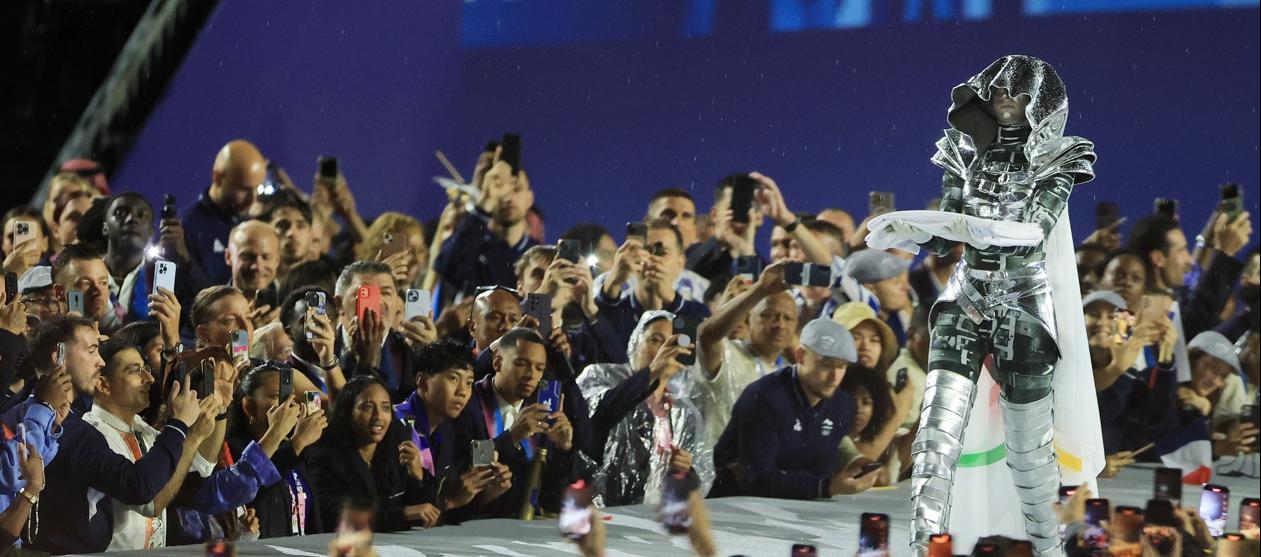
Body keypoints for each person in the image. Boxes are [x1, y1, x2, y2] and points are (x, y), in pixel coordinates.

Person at [871, 55, 1100, 554]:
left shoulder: (1060, 156)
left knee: (1030, 451)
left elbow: (1035, 227)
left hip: (1022, 302)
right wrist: (909, 232)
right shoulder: (962, 148)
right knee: (935, 434)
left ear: (1039, 103)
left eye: (1017, 95)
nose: (1005, 102)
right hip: (966, 293)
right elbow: (950, 229)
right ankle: (922, 545)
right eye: (997, 93)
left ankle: (1049, 548)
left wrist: (974, 229)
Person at [31, 346, 211, 553]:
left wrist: (218, 411)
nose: (149, 379)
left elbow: (201, 465)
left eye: (146, 369)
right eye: (135, 371)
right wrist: (182, 428)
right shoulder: (94, 435)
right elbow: (151, 503)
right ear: (103, 384)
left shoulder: (142, 428)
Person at [708, 317, 878, 499]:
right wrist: (825, 486)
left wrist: (851, 465)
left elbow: (822, 467)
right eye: (826, 364)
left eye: (842, 366)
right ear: (801, 356)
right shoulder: (764, 397)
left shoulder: (842, 404)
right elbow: (757, 479)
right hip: (734, 507)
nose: (834, 377)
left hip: (800, 508)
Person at [577, 310, 713, 506]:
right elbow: (599, 411)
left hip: (653, 522)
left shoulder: (684, 411)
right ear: (635, 343)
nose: (664, 350)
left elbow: (702, 476)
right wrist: (652, 372)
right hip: (598, 512)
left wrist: (686, 470)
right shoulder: (600, 377)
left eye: (672, 343)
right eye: (656, 340)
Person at [451, 327, 580, 519]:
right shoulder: (468, 403)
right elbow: (466, 465)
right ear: (497, 362)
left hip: (525, 530)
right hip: (475, 525)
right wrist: (510, 437)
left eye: (539, 368)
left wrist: (563, 449)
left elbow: (552, 501)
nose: (531, 375)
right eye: (521, 364)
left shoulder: (541, 411)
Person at [393, 340, 512, 519]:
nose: (462, 392)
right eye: (454, 378)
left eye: (469, 383)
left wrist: (488, 494)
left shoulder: (449, 429)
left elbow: (449, 512)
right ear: (423, 382)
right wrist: (451, 501)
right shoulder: (393, 425)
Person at [305, 375, 440, 532]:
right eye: (367, 407)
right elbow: (334, 516)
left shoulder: (396, 449)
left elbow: (427, 512)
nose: (378, 417)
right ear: (347, 413)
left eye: (385, 408)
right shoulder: (323, 457)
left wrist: (418, 477)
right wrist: (403, 514)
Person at [1129, 214, 1251, 381]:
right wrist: (1225, 254)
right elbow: (1200, 316)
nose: (1189, 260)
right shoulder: (1145, 312)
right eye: (1182, 250)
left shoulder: (1169, 305)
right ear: (1158, 259)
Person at [696, 261, 798, 444]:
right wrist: (760, 289)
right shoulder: (727, 353)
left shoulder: (791, 378)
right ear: (749, 320)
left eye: (788, 318)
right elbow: (706, 335)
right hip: (715, 469)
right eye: (768, 315)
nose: (779, 324)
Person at [226, 363, 329, 538]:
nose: (289, 405)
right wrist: (296, 444)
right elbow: (251, 490)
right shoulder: (234, 450)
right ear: (249, 406)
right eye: (277, 396)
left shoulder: (297, 450)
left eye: (292, 398)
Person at [434, 149, 539, 296]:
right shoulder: (475, 247)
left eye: (516, 188)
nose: (508, 197)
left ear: (529, 198)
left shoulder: (539, 256)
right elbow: (447, 270)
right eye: (501, 188)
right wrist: (484, 205)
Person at [597, 219, 710, 348]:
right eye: (644, 251)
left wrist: (672, 301)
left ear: (680, 264)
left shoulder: (698, 312)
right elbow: (595, 335)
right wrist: (613, 283)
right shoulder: (616, 312)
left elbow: (697, 351)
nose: (650, 259)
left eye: (661, 253)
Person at [831, 302, 915, 463]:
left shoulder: (883, 391)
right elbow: (857, 462)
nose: (865, 346)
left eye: (874, 340)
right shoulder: (828, 390)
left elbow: (897, 461)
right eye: (855, 337)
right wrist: (897, 415)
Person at [182, 140, 266, 286]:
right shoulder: (186, 228)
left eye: (257, 189)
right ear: (218, 178)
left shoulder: (254, 224)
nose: (252, 199)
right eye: (244, 189)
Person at [1179, 331, 1259, 459]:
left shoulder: (1210, 400)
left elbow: (1207, 452)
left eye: (1222, 376)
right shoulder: (1166, 389)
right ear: (1192, 360)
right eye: (1212, 368)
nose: (1215, 381)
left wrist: (1230, 443)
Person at [685, 176, 765, 284]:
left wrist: (745, 254)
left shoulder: (768, 272)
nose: (744, 214)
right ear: (714, 215)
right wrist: (718, 238)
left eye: (751, 208)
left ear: (760, 217)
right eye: (734, 207)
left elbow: (752, 297)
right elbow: (681, 280)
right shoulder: (687, 255)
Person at [280, 286, 347, 397]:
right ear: (289, 331)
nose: (320, 326)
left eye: (327, 319)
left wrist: (328, 361)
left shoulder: (349, 369)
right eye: (310, 320)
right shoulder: (283, 377)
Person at [842, 249, 913, 344]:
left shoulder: (896, 317)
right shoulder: (852, 327)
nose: (906, 287)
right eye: (896, 283)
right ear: (869, 290)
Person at [51, 243, 117, 331]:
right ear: (59, 292)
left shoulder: (118, 343)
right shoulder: (48, 344)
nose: (98, 291)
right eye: (85, 284)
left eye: (103, 283)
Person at [225, 220, 282, 322]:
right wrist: (248, 333)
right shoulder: (210, 310)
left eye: (266, 257)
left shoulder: (291, 309)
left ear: (277, 260)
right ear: (228, 257)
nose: (258, 266)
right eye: (248, 257)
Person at [261, 196, 317, 288]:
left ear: (310, 233)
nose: (292, 233)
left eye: (301, 226)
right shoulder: (256, 287)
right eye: (282, 225)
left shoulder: (323, 284)